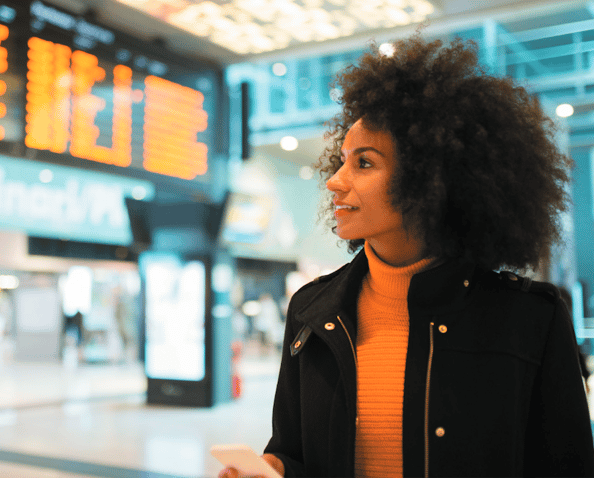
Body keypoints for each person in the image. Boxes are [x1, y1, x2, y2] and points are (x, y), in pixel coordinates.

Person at [220, 35, 594, 478]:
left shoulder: (530, 319)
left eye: (364, 163)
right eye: (341, 160)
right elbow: (294, 452)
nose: (334, 182)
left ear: (428, 181)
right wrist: (273, 470)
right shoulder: (312, 311)